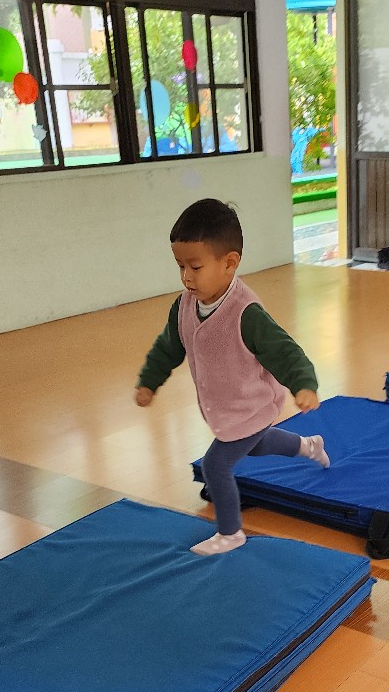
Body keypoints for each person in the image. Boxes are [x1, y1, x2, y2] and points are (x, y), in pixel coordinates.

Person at [134, 198, 329, 556]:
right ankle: (307, 446)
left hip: (252, 404)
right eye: (180, 266)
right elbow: (168, 346)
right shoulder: (184, 306)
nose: (186, 276)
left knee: (216, 464)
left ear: (229, 263)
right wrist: (149, 380)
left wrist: (304, 385)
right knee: (256, 445)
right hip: (227, 408)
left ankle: (230, 532)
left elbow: (285, 351)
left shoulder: (246, 313)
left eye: (195, 266)